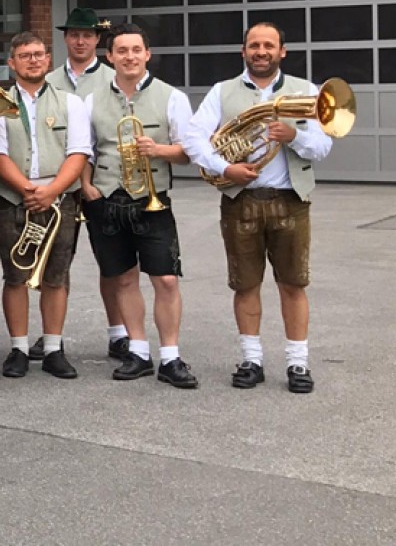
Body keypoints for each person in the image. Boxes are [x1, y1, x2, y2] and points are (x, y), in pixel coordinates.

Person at [184, 22, 332, 394]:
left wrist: (294, 136)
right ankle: (251, 360)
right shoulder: (222, 91)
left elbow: (323, 147)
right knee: (245, 284)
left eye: (268, 45)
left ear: (282, 51)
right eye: (254, 45)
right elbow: (193, 137)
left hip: (290, 201)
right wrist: (224, 167)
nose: (261, 51)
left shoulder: (307, 91)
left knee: (293, 284)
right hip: (241, 201)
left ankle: (298, 364)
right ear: (243, 51)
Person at [80, 23, 197, 388]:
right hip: (108, 199)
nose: (129, 57)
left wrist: (159, 150)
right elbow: (85, 150)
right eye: (122, 51)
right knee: (124, 279)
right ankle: (139, 351)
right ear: (110, 57)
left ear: (147, 54)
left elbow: (189, 152)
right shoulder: (91, 99)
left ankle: (172, 357)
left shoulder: (172, 97)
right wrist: (85, 186)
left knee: (165, 279)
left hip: (153, 200)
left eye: (136, 50)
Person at [0, 32, 92, 379]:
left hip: (59, 200)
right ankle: (19, 348)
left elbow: (79, 151)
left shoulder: (71, 102)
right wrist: (28, 189)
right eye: (24, 55)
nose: (33, 60)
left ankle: (54, 348)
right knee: (15, 277)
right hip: (14, 197)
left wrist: (52, 190)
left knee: (56, 277)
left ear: (48, 59)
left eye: (39, 54)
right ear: (11, 63)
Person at [34, 8, 127, 364]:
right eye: (74, 34)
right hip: (61, 183)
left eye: (87, 35)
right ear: (65, 38)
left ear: (97, 40)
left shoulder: (112, 76)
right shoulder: (49, 78)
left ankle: (118, 334)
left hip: (102, 183)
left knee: (113, 262)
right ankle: (50, 336)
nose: (80, 40)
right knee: (56, 263)